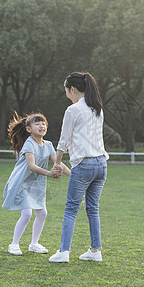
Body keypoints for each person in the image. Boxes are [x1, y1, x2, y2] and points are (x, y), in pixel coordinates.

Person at [49, 72, 109, 263]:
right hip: (101, 164)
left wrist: (57, 163)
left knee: (71, 209)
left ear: (72, 89)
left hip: (84, 165)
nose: (66, 94)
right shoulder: (97, 108)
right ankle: (95, 250)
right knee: (92, 208)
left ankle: (64, 252)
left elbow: (63, 141)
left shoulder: (73, 110)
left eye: (66, 90)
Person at [2, 112, 70, 256]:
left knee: (42, 213)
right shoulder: (29, 144)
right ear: (29, 129)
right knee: (26, 213)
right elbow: (31, 166)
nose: (41, 126)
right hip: (21, 182)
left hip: (36, 185)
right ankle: (13, 244)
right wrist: (49, 174)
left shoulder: (49, 145)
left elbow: (58, 163)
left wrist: (74, 176)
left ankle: (34, 244)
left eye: (43, 123)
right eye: (37, 124)